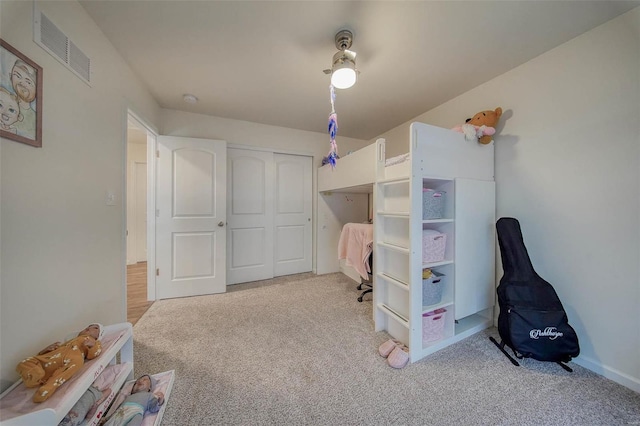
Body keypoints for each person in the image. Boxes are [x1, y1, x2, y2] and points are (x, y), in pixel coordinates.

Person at [16, 323, 104, 403]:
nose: (89, 328)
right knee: (26, 361)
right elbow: (55, 350)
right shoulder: (73, 340)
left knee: (76, 364)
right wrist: (45, 351)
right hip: (54, 357)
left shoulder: (95, 342)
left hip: (74, 356)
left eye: (96, 328)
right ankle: (35, 375)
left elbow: (94, 354)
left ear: (98, 336)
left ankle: (46, 389)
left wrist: (93, 345)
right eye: (88, 326)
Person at [9, 59, 37, 139]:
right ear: (10, 77)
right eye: (18, 76)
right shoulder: (4, 104)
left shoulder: (34, 118)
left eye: (28, 82)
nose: (22, 83)